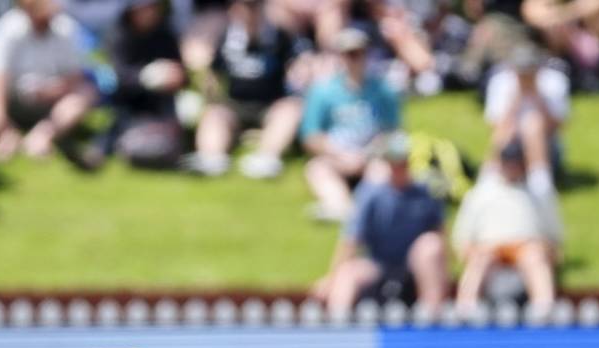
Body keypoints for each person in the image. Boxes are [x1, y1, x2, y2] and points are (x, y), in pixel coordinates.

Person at [313, 133, 448, 313]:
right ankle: (337, 324)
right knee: (348, 274)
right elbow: (352, 240)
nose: (398, 166)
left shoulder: (424, 193)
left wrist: (445, 271)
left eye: (402, 161)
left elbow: (440, 234)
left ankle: (433, 317)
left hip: (413, 264)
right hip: (379, 263)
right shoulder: (371, 194)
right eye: (394, 161)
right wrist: (332, 277)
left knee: (431, 245)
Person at [185, 0, 307, 178]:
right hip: (235, 103)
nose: (250, 12)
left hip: (271, 104)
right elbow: (213, 73)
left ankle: (267, 158)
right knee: (214, 113)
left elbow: (296, 68)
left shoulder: (279, 35)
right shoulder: (226, 35)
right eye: (246, 6)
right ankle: (212, 158)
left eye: (254, 6)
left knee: (291, 109)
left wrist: (302, 72)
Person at [300, 26, 401, 222]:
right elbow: (311, 135)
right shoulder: (322, 91)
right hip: (336, 155)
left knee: (382, 171)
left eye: (358, 53)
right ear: (339, 57)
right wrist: (340, 154)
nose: (354, 59)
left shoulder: (384, 90)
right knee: (317, 169)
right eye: (349, 54)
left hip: (373, 156)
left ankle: (372, 208)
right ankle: (341, 208)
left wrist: (368, 154)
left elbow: (392, 132)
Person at [453, 140, 558, 316]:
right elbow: (463, 239)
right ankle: (466, 307)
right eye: (508, 162)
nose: (512, 167)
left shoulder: (540, 193)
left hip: (526, 248)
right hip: (489, 248)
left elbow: (554, 238)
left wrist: (544, 249)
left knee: (535, 257)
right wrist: (475, 252)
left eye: (516, 162)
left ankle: (544, 307)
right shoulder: (480, 193)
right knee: (480, 258)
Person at [0, 0, 98, 159]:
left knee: (86, 93)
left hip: (53, 103)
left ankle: (44, 134)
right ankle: (7, 135)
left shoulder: (66, 27)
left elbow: (75, 78)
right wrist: (1, 128)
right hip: (12, 101)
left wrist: (53, 91)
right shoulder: (6, 30)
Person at [96, 0, 187, 168]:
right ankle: (100, 151)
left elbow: (182, 74)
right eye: (143, 9)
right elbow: (120, 77)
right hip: (128, 100)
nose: (148, 13)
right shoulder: (118, 35)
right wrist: (149, 77)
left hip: (161, 102)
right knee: (118, 119)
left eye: (152, 8)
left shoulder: (166, 35)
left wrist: (175, 76)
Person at [484, 42, 567, 179]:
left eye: (529, 72)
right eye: (522, 73)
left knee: (532, 123)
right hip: (510, 145)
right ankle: (489, 178)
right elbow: (497, 127)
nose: (525, 78)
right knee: (508, 129)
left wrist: (539, 99)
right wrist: (515, 103)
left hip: (548, 149)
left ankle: (540, 180)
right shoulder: (500, 82)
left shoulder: (554, 82)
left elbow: (557, 127)